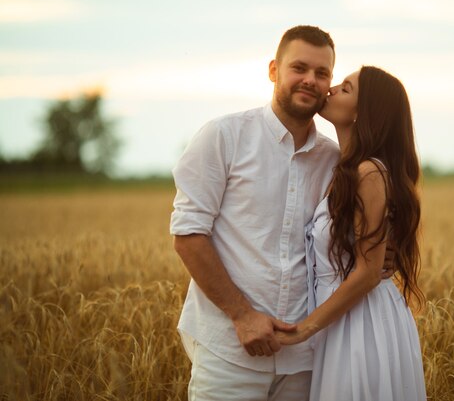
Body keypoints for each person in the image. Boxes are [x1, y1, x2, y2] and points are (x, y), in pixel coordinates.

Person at [170, 26, 393, 400]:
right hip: (229, 351)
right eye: (299, 68)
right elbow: (188, 236)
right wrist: (242, 315)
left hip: (305, 359)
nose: (310, 80)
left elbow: (361, 238)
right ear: (274, 69)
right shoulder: (223, 136)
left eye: (322, 73)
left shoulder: (336, 162)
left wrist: (386, 253)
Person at [275, 66, 428, 401]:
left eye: (345, 88)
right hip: (342, 318)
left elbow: (370, 271)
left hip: (362, 324)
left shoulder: (368, 172)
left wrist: (305, 329)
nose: (330, 90)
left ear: (362, 112)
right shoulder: (343, 167)